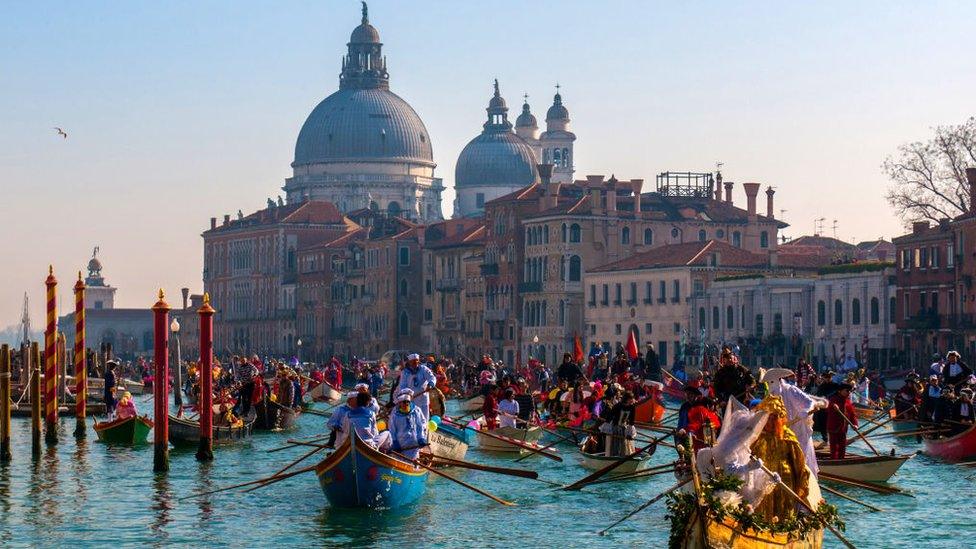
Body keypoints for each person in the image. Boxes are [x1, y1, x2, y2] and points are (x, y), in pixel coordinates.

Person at [749, 395, 811, 520]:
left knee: (782, 514)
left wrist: (801, 486)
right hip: (760, 484)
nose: (771, 422)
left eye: (774, 418)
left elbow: (799, 463)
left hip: (784, 483)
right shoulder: (756, 436)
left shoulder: (787, 436)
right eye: (768, 418)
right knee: (761, 513)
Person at [763, 368, 828, 474]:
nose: (770, 385)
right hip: (783, 431)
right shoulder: (771, 396)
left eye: (771, 382)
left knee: (801, 458)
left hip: (798, 430)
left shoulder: (791, 390)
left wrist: (804, 412)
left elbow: (809, 403)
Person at [388, 389, 428, 461]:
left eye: (408, 402)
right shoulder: (394, 414)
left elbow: (420, 426)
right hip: (400, 445)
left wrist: (421, 438)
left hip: (413, 444)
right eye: (404, 402)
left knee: (412, 463)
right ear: (400, 403)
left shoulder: (416, 411)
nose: (406, 404)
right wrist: (395, 442)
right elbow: (392, 430)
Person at [397, 354, 437, 422]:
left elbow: (432, 377)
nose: (415, 364)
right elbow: (402, 386)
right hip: (411, 399)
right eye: (413, 362)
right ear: (409, 362)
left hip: (423, 398)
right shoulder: (405, 372)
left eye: (416, 361)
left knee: (424, 419)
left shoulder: (424, 369)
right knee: (413, 419)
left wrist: (430, 384)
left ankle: (425, 430)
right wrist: (405, 395)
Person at [825, 382, 858, 459]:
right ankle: (834, 461)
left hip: (843, 428)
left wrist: (855, 424)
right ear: (840, 391)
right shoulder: (833, 399)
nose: (849, 393)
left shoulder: (848, 402)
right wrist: (833, 407)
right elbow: (827, 409)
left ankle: (841, 460)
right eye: (847, 390)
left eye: (850, 391)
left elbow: (852, 415)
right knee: (834, 447)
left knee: (842, 446)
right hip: (833, 427)